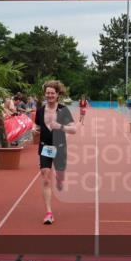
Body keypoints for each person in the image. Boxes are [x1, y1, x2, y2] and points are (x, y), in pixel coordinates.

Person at [34, 80, 77, 225]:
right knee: (45, 177)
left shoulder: (63, 110)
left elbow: (74, 129)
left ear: (58, 94)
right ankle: (48, 212)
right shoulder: (40, 110)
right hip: (45, 147)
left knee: (60, 173)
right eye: (47, 93)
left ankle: (60, 178)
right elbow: (36, 125)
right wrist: (34, 129)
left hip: (59, 147)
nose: (50, 95)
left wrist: (60, 126)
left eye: (52, 93)